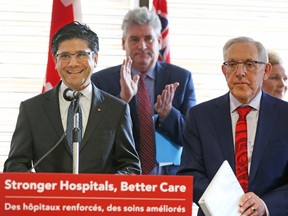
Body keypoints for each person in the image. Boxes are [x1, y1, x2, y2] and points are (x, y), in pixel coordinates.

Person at [3, 21, 141, 174]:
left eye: (81, 54)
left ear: (95, 59)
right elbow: (14, 165)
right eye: (65, 56)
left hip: (99, 197)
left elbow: (130, 167)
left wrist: (103, 188)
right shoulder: (32, 109)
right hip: (48, 197)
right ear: (55, 61)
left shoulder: (117, 109)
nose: (73, 63)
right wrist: (41, 188)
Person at [178, 36, 288, 215]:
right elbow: (190, 174)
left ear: (266, 70)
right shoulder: (200, 116)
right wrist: (226, 205)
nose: (240, 72)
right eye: (232, 64)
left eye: (249, 64)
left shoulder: (285, 116)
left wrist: (265, 205)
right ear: (224, 70)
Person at [91, 7, 196, 175]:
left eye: (149, 38)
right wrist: (122, 100)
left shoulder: (181, 79)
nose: (142, 46)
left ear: (160, 41)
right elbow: (94, 139)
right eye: (134, 39)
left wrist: (168, 113)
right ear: (123, 42)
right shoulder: (101, 82)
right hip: (121, 179)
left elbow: (192, 137)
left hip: (170, 180)